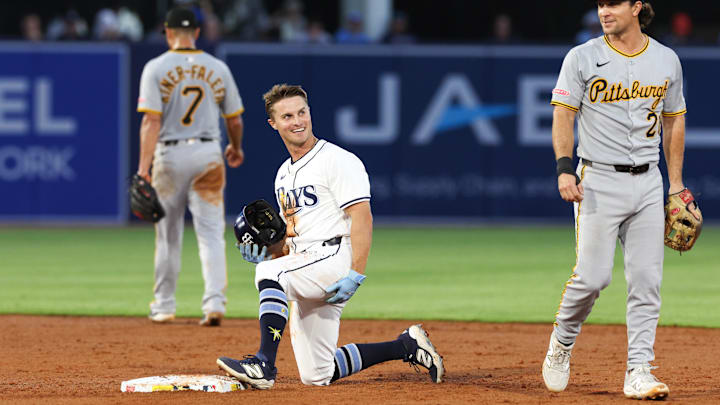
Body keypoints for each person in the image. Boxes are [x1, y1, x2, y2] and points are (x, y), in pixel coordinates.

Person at [216, 84, 444, 389]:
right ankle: (405, 346)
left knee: (270, 274)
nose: (297, 121)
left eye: (301, 112)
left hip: (335, 258)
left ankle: (263, 364)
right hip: (305, 262)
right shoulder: (283, 173)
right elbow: (291, 237)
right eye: (287, 116)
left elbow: (362, 217)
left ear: (310, 113)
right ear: (273, 123)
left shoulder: (337, 160)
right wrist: (268, 252)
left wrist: (356, 274)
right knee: (316, 374)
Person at [542, 0, 695, 400]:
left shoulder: (666, 59)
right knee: (593, 277)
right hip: (597, 179)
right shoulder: (582, 57)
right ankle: (562, 340)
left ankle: (639, 371)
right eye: (600, 4)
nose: (604, 11)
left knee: (647, 282)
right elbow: (563, 115)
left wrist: (675, 185)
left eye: (614, 3)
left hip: (648, 182)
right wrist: (563, 167)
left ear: (637, 7)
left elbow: (674, 119)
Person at [136, 7, 246, 327]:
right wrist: (235, 148)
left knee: (168, 235)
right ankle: (214, 303)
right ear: (197, 32)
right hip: (208, 153)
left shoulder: (155, 67)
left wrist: (144, 167)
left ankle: (165, 305)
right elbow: (235, 119)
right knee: (211, 234)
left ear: (168, 33)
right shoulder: (218, 68)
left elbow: (150, 121)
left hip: (169, 155)